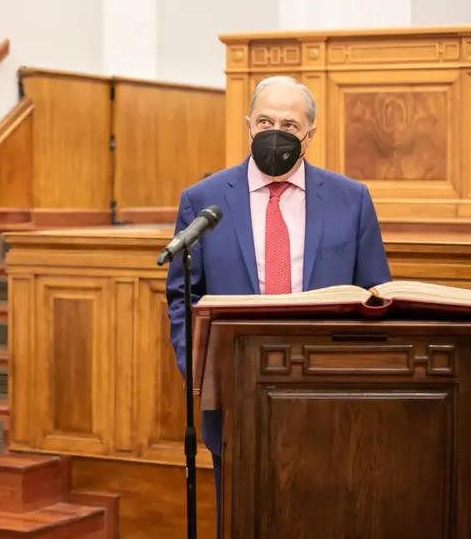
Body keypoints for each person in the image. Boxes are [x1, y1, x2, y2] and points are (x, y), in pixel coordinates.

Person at [165, 76, 391, 537]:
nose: (275, 131)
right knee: (243, 520)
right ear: (248, 124)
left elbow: (377, 296)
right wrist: (204, 376)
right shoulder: (203, 201)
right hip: (236, 398)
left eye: (289, 124)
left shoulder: (352, 200)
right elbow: (181, 299)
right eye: (265, 120)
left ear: (309, 135)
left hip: (332, 400)